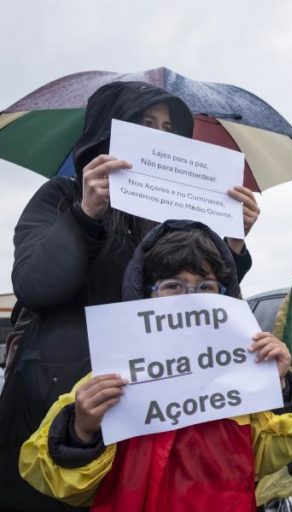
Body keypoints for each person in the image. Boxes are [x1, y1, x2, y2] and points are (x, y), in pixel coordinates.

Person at [0, 81, 258, 511]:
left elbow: (202, 313)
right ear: (111, 130)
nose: (158, 136)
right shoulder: (62, 197)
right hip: (54, 405)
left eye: (169, 129)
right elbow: (37, 286)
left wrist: (231, 247)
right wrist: (86, 215)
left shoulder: (179, 219)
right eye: (145, 123)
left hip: (144, 410)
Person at [19, 220, 292, 511]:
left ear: (224, 295)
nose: (189, 299)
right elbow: (53, 479)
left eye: (205, 286)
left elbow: (271, 457)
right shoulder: (111, 377)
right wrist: (81, 430)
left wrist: (280, 386)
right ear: (146, 293)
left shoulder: (243, 374)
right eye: (173, 286)